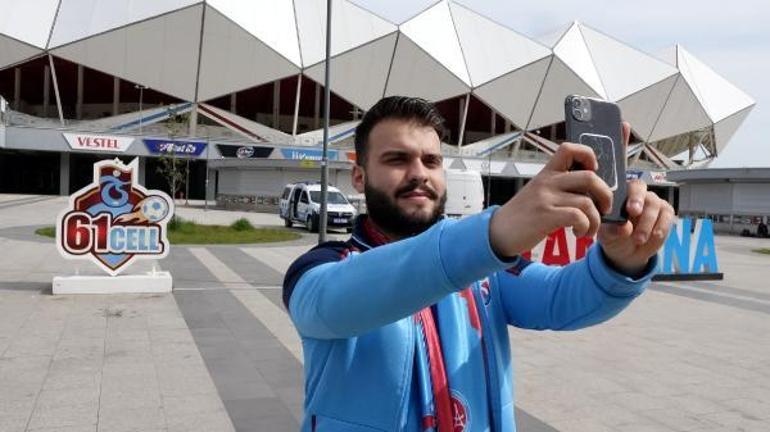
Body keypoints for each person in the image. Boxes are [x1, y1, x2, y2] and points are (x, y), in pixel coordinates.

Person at [283, 96, 675, 432]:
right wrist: (495, 231)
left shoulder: (486, 271)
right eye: (397, 159)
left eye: (431, 160)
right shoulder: (319, 270)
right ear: (358, 176)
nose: (419, 173)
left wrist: (620, 262)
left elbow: (561, 298)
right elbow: (340, 300)